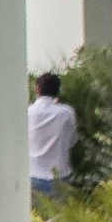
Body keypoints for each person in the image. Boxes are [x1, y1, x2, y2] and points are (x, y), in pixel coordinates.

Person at [29, 72, 78, 200]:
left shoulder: (28, 113)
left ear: (37, 89)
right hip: (60, 176)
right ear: (57, 91)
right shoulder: (67, 113)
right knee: (58, 218)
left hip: (32, 175)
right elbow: (72, 141)